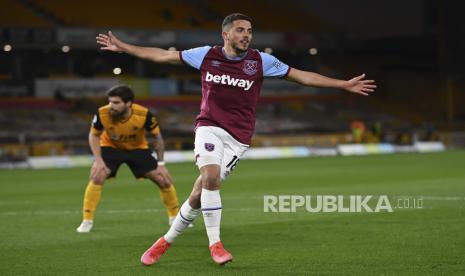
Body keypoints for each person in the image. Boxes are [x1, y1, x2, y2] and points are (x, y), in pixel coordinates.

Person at [96, 13, 376, 265]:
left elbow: (303, 77)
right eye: (241, 30)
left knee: (198, 193)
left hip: (238, 138)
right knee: (211, 176)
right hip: (209, 126)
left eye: (250, 31)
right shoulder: (206, 55)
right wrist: (125, 47)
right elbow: (161, 56)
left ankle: (165, 241)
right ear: (226, 34)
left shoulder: (261, 61)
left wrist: (343, 84)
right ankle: (215, 244)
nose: (246, 35)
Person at [76, 85, 181, 233]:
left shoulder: (144, 114)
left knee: (163, 179)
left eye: (116, 103)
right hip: (110, 147)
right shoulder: (102, 113)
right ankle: (87, 220)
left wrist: (161, 164)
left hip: (137, 148)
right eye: (110, 101)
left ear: (128, 103)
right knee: (97, 175)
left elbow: (158, 138)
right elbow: (93, 135)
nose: (111, 106)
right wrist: (98, 160)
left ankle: (175, 218)